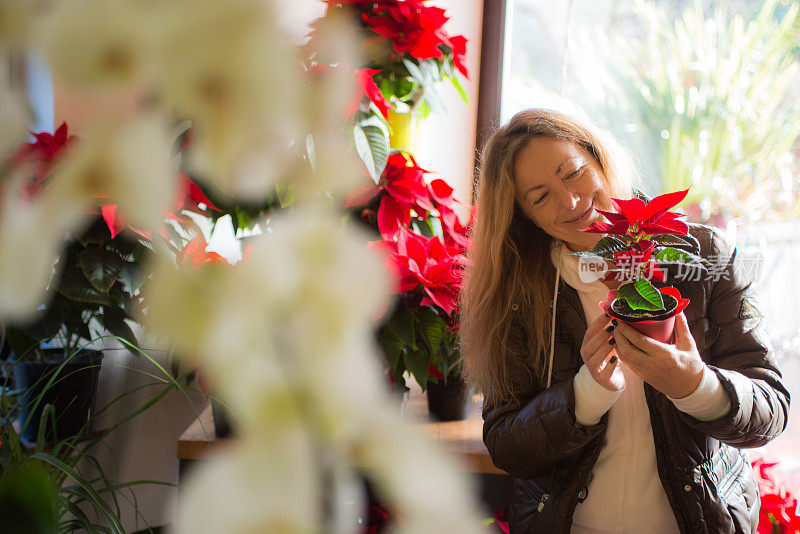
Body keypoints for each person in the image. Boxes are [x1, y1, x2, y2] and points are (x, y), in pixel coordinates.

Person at [459, 108, 790, 533]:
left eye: (574, 172)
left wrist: (695, 385)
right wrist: (586, 394)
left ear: (599, 159)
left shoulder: (703, 255)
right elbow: (507, 445)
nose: (571, 202)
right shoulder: (520, 291)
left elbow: (770, 411)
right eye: (540, 197)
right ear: (525, 216)